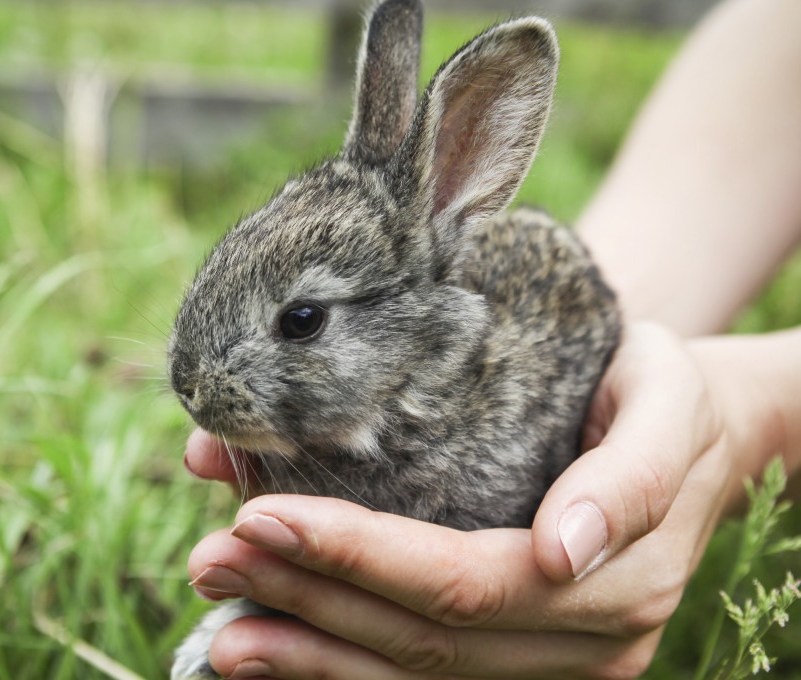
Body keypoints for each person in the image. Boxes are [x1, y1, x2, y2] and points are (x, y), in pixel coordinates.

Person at [181, 0, 801, 676]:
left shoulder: (490, 446)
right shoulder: (315, 437)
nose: (197, 389)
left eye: (302, 323)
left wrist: (750, 416)